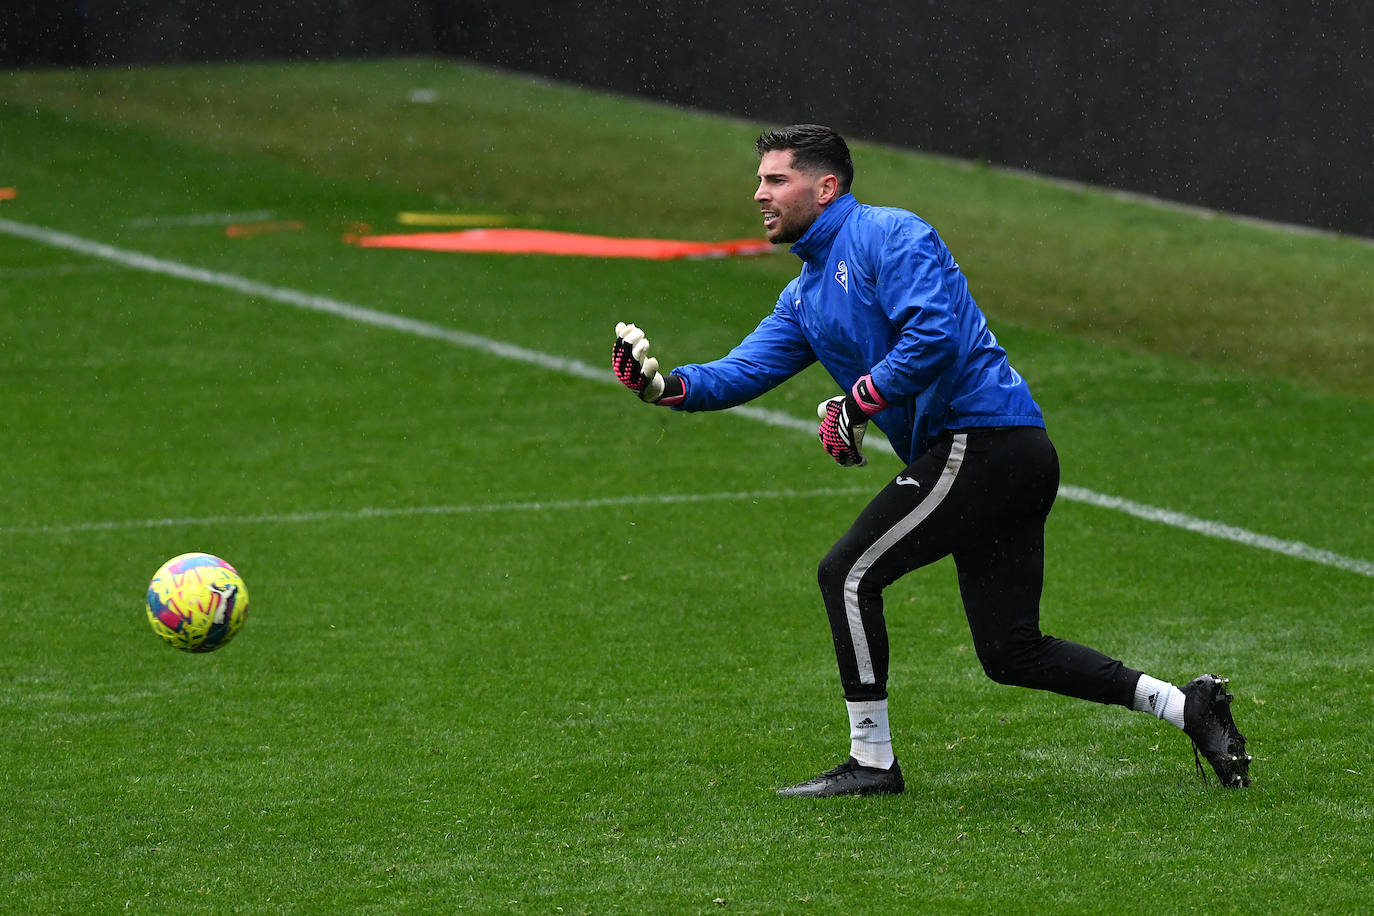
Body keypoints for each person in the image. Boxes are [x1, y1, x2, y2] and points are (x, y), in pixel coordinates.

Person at [611, 124, 1251, 795]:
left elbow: (934, 336)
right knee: (1010, 651)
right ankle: (1187, 706)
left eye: (776, 180)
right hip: (991, 456)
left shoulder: (890, 234)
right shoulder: (803, 295)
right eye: (761, 180)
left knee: (848, 575)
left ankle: (873, 763)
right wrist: (664, 387)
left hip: (988, 442)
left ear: (826, 187)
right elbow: (740, 371)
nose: (759, 194)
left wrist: (856, 404)